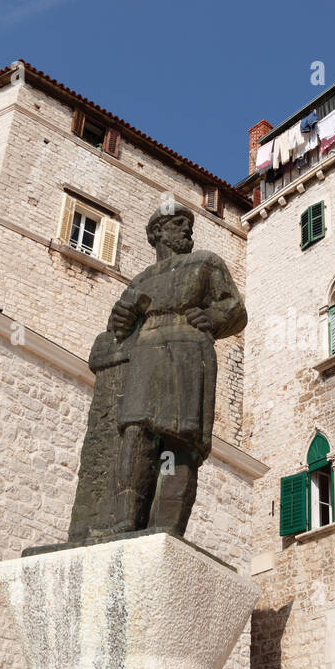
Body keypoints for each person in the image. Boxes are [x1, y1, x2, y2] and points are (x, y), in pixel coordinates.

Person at [106, 203, 247, 537]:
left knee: (180, 439)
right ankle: (124, 521)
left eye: (189, 225)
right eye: (178, 224)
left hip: (189, 350)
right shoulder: (139, 281)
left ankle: (166, 525)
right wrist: (120, 322)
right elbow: (115, 329)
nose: (188, 230)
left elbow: (235, 308)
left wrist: (213, 319)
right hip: (145, 354)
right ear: (157, 232)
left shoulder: (206, 263)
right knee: (136, 433)